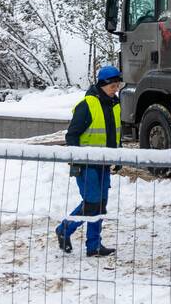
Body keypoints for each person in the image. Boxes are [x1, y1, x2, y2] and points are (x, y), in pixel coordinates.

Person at [56, 66, 124, 257]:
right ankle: (64, 229)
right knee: (92, 204)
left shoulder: (115, 104)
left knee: (100, 205)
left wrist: (118, 156)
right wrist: (76, 160)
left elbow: (116, 134)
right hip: (86, 164)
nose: (116, 87)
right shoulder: (87, 105)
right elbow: (72, 135)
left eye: (118, 84)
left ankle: (94, 246)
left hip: (105, 163)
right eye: (112, 84)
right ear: (102, 84)